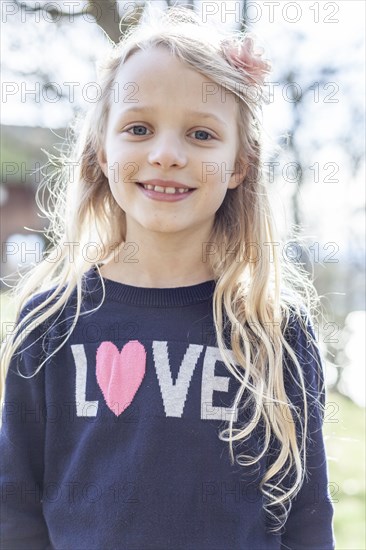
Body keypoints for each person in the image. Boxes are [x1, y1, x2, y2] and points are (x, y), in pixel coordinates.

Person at [0, 5, 335, 549]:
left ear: (239, 164)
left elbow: (307, 520)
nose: (166, 155)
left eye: (201, 134)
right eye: (139, 128)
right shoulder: (51, 321)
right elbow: (15, 510)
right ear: (102, 153)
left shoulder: (274, 331)